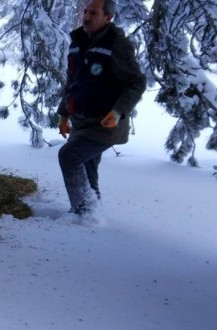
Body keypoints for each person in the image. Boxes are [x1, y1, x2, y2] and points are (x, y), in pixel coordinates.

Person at [56, 0, 146, 215]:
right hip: (81, 120)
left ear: (108, 17)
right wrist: (64, 114)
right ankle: (91, 217)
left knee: (70, 156)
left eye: (93, 13)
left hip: (105, 124)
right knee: (87, 169)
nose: (86, 17)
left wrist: (118, 111)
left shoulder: (117, 44)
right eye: (86, 12)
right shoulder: (77, 41)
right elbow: (72, 81)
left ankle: (82, 212)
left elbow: (136, 82)